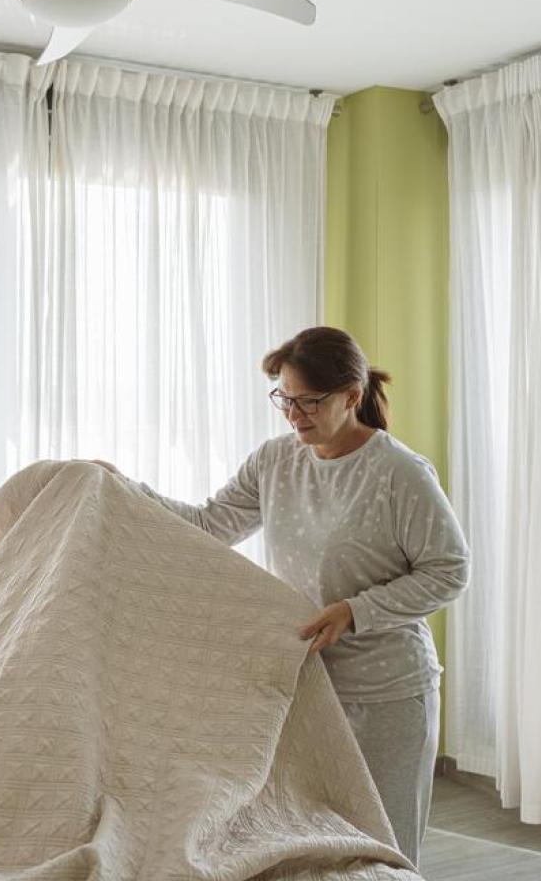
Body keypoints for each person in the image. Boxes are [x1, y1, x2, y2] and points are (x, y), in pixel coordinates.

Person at [95, 325, 469, 865]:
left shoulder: (399, 473)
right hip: (310, 685)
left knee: (386, 845)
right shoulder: (275, 461)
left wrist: (355, 612)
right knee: (317, 841)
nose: (294, 415)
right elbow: (209, 523)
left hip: (388, 691)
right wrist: (126, 489)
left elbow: (449, 570)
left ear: (352, 397)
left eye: (309, 402)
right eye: (285, 400)